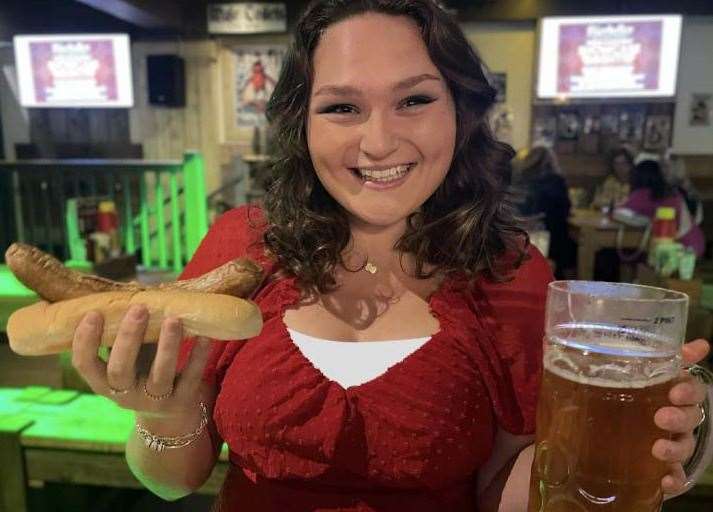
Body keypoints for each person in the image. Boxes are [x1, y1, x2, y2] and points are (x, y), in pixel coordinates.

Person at [69, 1, 710, 511]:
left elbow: (503, 491)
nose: (378, 142)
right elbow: (171, 481)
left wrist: (616, 458)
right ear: (303, 123)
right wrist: (163, 416)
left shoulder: (511, 272)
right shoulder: (241, 248)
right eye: (342, 107)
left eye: (415, 99)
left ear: (461, 111)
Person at [511, 145, 576, 278]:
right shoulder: (556, 181)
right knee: (572, 242)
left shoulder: (519, 180)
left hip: (521, 236)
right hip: (551, 239)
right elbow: (565, 210)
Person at [623, 159, 706, 257]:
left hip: (678, 248)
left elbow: (618, 211)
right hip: (695, 240)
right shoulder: (672, 193)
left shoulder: (641, 194)